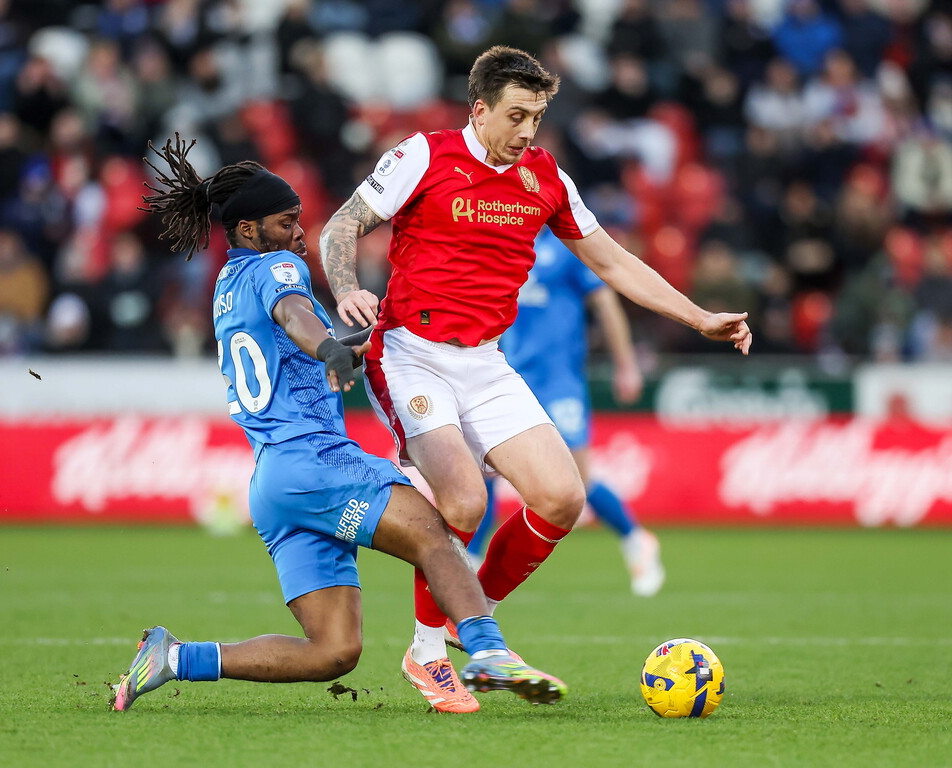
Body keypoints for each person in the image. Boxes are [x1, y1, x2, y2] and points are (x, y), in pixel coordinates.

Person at [318, 46, 752, 713]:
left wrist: (699, 318)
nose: (527, 132)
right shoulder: (424, 156)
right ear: (480, 108)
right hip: (410, 352)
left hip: (486, 362)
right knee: (462, 502)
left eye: (538, 118)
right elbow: (343, 224)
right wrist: (347, 290)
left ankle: (475, 617)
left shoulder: (547, 177)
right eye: (516, 116)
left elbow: (612, 263)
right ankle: (431, 652)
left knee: (561, 498)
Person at [111, 134, 567, 714]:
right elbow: (294, 314)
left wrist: (351, 344)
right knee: (437, 531)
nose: (299, 234)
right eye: (286, 222)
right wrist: (328, 345)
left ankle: (174, 658)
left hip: (274, 484)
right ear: (249, 230)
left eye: (299, 221)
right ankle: (484, 650)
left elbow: (292, 337)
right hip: (316, 462)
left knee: (333, 651)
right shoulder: (275, 268)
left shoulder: (227, 285)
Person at [468, 226, 665, 597]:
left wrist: (626, 365)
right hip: (506, 375)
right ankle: (471, 563)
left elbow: (605, 302)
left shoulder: (567, 245)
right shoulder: (502, 242)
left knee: (578, 478)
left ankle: (636, 538)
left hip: (559, 380)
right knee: (485, 470)